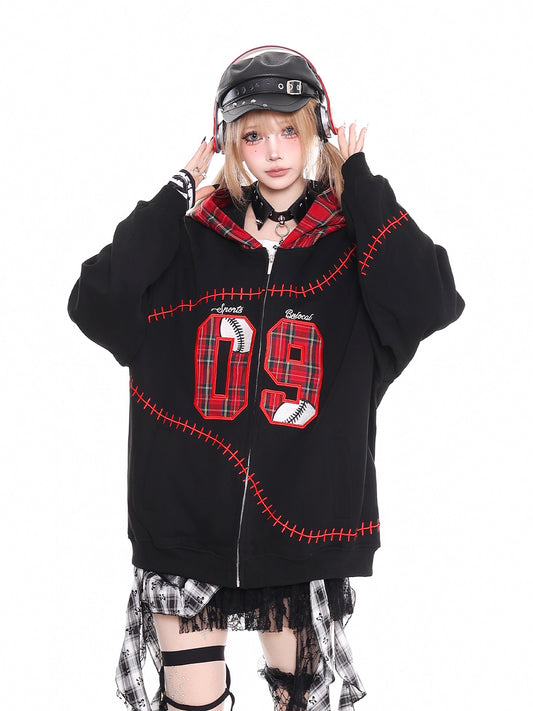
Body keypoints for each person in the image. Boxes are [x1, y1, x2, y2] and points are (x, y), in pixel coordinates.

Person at [68, 46, 464, 711]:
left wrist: (361, 184)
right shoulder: (186, 244)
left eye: (289, 129)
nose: (274, 150)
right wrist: (173, 197)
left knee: (301, 700)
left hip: (301, 532)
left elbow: (430, 299)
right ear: (229, 143)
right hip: (184, 527)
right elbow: (95, 302)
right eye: (253, 134)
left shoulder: (348, 250)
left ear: (317, 133)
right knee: (189, 702)